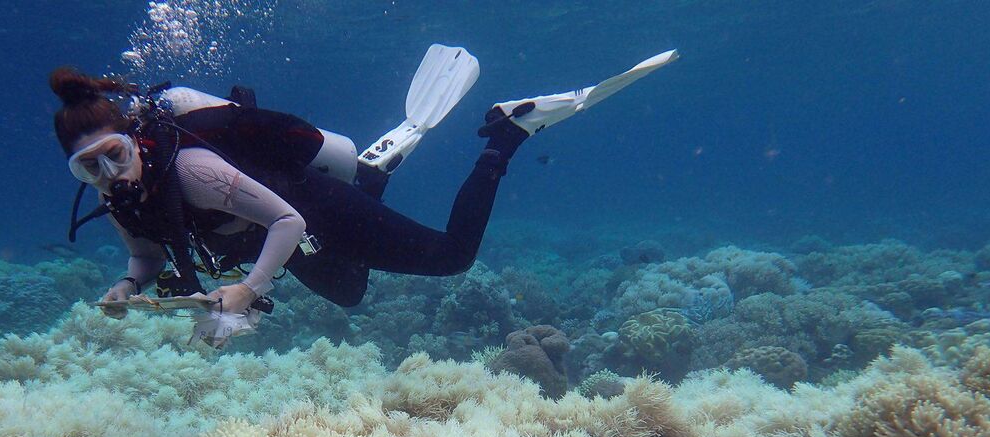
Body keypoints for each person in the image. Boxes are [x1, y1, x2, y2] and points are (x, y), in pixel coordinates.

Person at [50, 47, 678, 327]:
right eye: (89, 169)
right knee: (350, 293)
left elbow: (288, 224)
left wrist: (247, 289)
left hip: (305, 211)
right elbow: (145, 253)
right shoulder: (116, 197)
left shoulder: (194, 171)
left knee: (452, 258)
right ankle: (372, 173)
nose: (110, 176)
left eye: (113, 155)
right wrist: (128, 283)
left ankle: (507, 135)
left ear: (134, 138)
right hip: (272, 234)